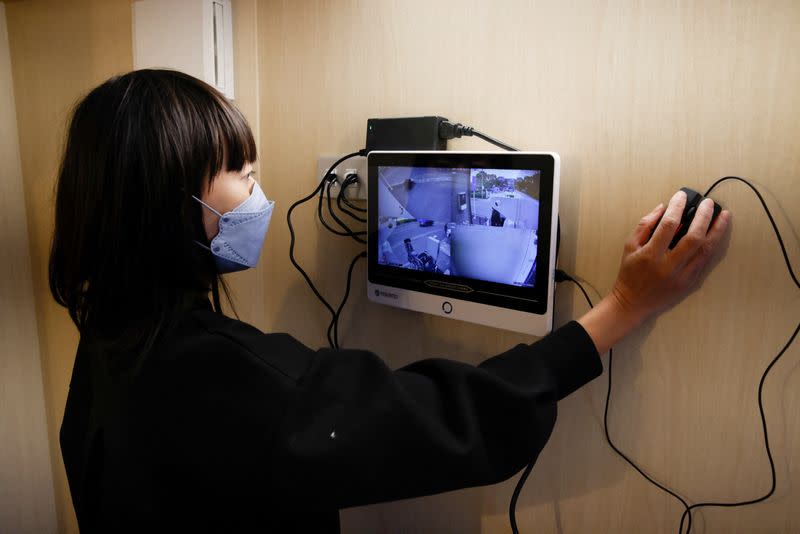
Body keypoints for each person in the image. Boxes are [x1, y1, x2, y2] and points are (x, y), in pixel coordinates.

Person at [50, 70, 730, 533]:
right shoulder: (215, 375)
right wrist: (623, 305)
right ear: (173, 206)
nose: (259, 194)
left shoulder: (110, 337)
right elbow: (439, 419)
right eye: (241, 173)